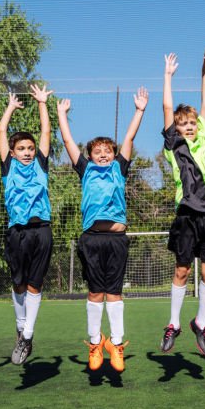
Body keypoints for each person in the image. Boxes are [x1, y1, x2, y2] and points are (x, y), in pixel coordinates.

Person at [57, 88, 148, 373]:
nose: (104, 154)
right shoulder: (85, 170)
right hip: (92, 239)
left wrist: (140, 110)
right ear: (91, 156)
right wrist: (61, 115)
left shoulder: (119, 169)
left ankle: (117, 345)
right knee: (96, 293)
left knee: (115, 294)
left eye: (108, 150)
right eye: (98, 151)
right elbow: (69, 141)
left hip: (117, 238)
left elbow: (130, 138)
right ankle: (96, 344)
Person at [160, 48, 205, 355]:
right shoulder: (173, 146)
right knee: (182, 270)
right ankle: (173, 324)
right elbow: (167, 106)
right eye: (183, 123)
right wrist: (168, 77)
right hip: (185, 214)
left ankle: (201, 323)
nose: (188, 126)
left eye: (192, 123)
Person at [0, 84, 54, 365]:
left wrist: (42, 103)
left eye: (30, 148)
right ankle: (21, 326)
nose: (28, 152)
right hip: (17, 232)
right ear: (13, 151)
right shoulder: (8, 166)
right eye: (22, 148)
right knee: (18, 284)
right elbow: (0, 132)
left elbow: (46, 133)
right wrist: (10, 108)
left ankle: (28, 336)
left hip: (41, 229)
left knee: (34, 284)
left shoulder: (40, 166)